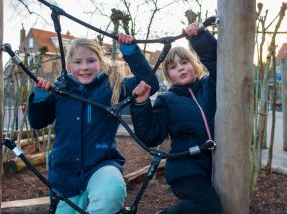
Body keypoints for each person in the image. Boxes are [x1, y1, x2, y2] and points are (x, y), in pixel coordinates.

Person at [27, 35, 159, 214]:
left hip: (101, 165)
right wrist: (40, 98)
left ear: (101, 63)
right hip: (65, 171)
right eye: (78, 62)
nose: (84, 67)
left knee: (111, 191)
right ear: (69, 66)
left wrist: (130, 52)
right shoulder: (59, 91)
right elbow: (37, 122)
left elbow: (150, 83)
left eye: (91, 60)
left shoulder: (113, 87)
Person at [131, 22, 221, 214]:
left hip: (217, 166)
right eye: (173, 67)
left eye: (184, 62)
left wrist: (198, 37)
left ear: (195, 65)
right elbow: (150, 135)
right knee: (208, 207)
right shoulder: (167, 100)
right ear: (169, 76)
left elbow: (218, 62)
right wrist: (141, 104)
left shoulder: (210, 87)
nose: (180, 68)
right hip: (186, 168)